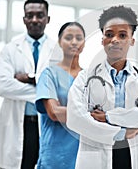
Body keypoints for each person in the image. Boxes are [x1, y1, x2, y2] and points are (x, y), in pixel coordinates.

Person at [66, 5, 138, 169]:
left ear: (132, 40)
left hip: (136, 156)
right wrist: (121, 133)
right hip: (97, 157)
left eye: (123, 35)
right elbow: (75, 117)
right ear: (102, 40)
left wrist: (110, 117)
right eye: (109, 34)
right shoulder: (86, 77)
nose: (115, 40)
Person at [0, 0, 56, 169]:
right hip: (19, 123)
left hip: (46, 124)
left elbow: (59, 87)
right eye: (29, 15)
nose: (34, 20)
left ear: (48, 19)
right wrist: (42, 93)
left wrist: (30, 78)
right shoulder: (10, 49)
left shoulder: (58, 52)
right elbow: (3, 86)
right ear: (24, 19)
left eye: (39, 15)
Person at [35, 21, 85, 168]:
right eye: (68, 38)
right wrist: (90, 116)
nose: (74, 42)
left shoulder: (89, 76)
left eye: (79, 38)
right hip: (55, 155)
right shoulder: (49, 74)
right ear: (59, 42)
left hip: (83, 154)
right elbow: (54, 113)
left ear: (84, 43)